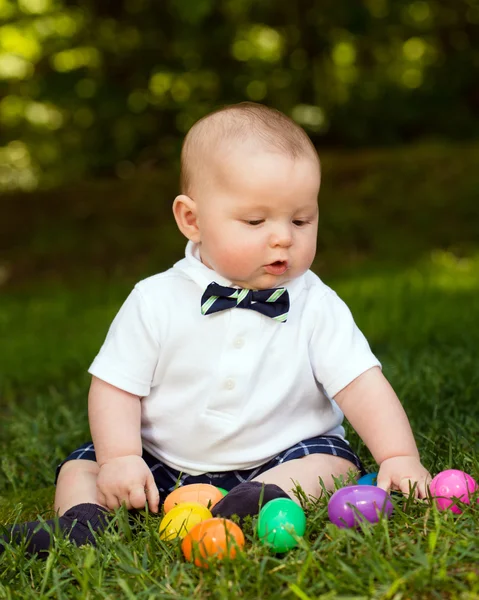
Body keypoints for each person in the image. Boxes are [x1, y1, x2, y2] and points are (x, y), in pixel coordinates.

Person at [1, 102, 430, 557]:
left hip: (280, 456)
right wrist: (122, 458)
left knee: (331, 463)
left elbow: (362, 385)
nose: (283, 236)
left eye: (301, 220)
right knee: (83, 467)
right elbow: (115, 386)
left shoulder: (315, 304)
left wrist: (399, 457)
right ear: (192, 220)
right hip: (161, 461)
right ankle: (82, 526)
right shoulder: (155, 299)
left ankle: (255, 503)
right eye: (255, 221)